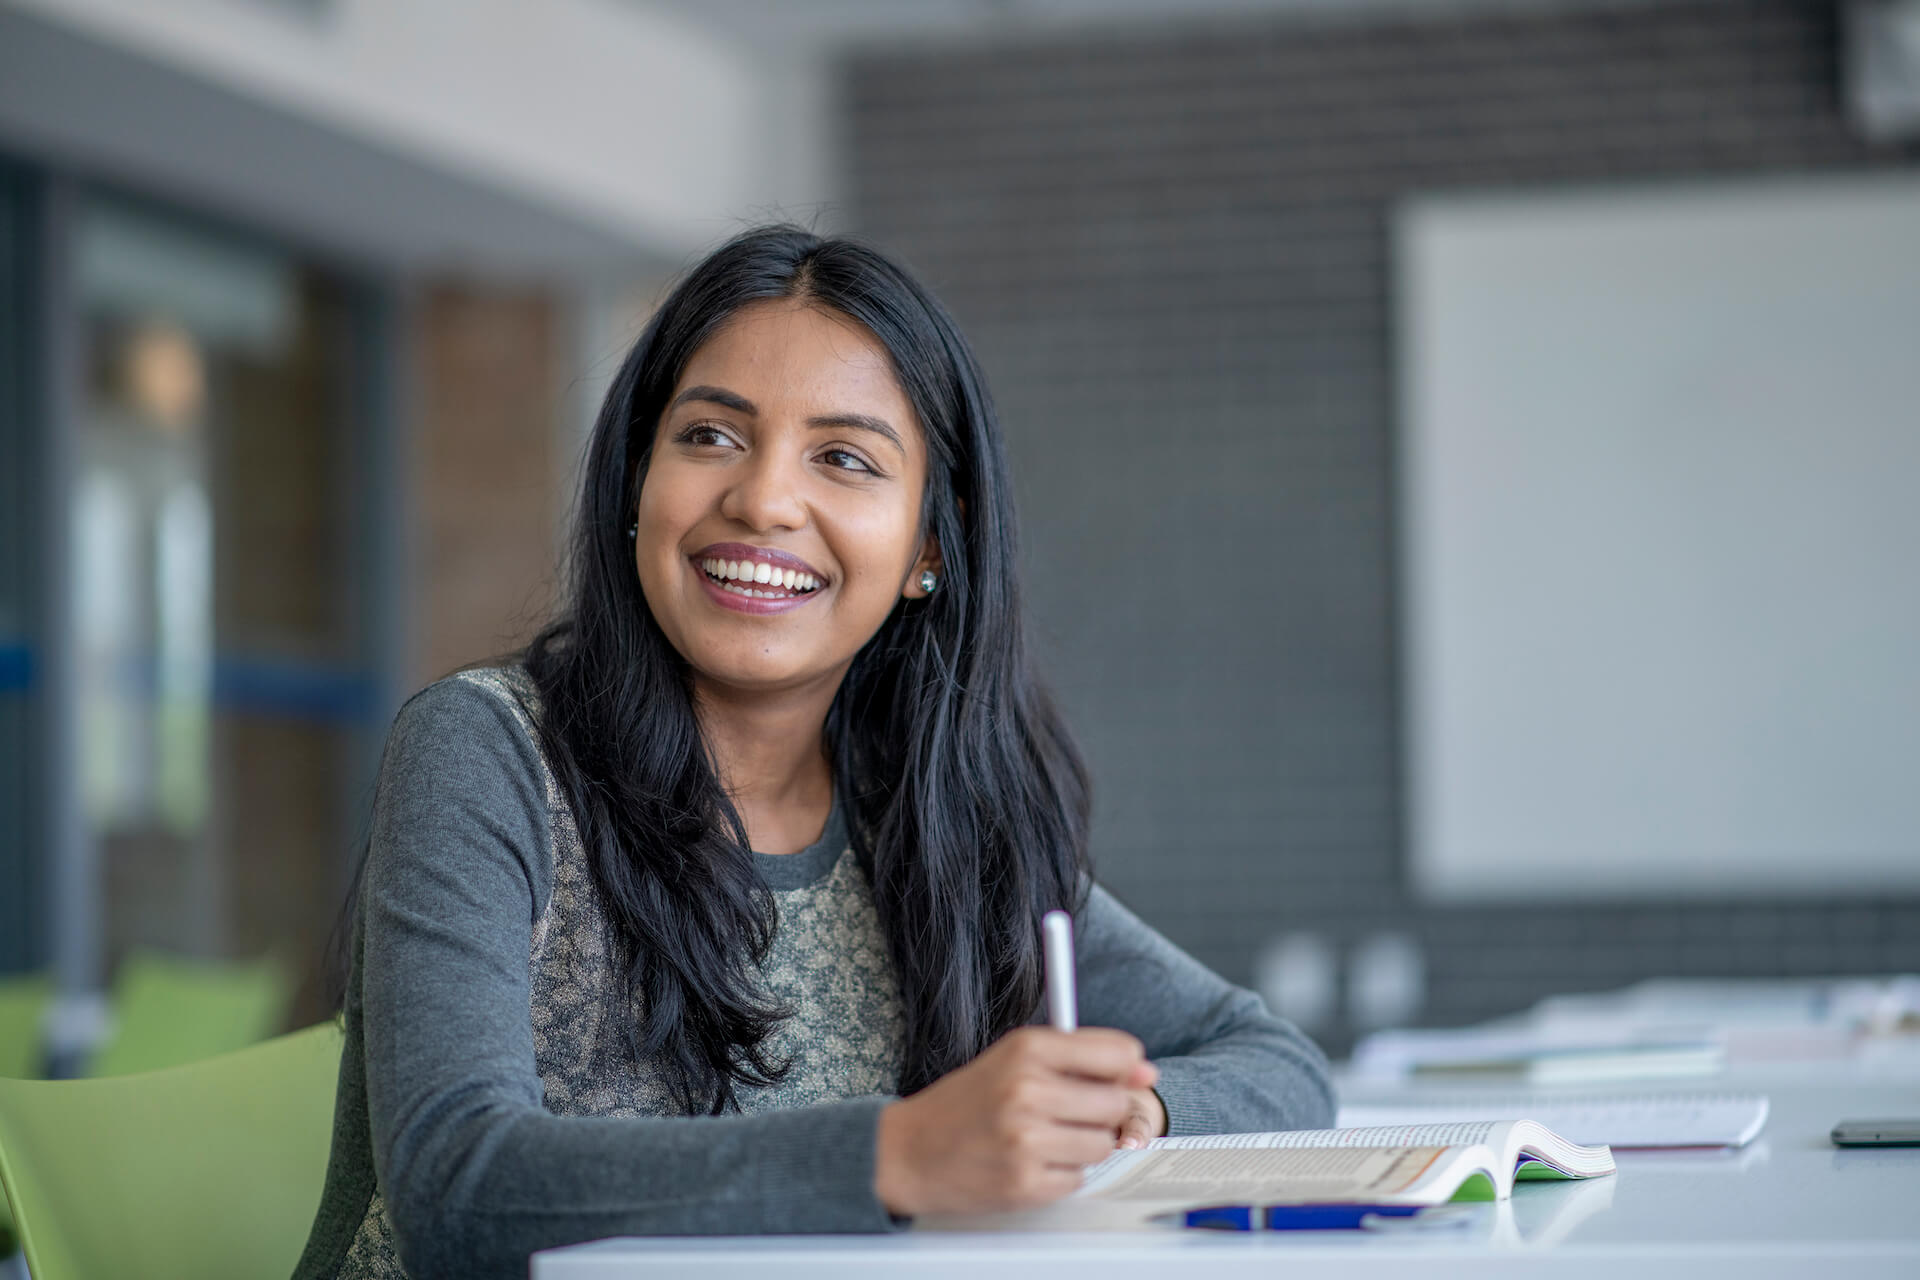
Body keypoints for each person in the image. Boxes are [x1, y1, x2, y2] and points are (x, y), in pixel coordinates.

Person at [294, 226, 1334, 1280]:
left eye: (843, 457)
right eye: (709, 436)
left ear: (932, 544)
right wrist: (905, 1151)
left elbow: (1278, 1063)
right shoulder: (487, 750)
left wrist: (1128, 1113)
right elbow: (458, 1184)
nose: (763, 500)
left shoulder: (932, 819)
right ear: (636, 481)